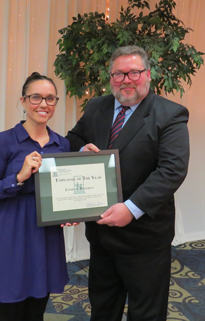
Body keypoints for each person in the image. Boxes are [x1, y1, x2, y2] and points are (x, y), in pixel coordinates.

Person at [66, 45, 190, 321]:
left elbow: (172, 170)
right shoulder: (97, 106)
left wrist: (132, 208)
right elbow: (73, 137)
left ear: (147, 74)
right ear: (110, 77)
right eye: (118, 74)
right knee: (103, 306)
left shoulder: (170, 114)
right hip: (100, 234)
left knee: (146, 312)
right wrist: (83, 149)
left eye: (134, 72)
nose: (126, 80)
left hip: (144, 238)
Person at [0, 72, 73, 321]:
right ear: (23, 101)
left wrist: (71, 212)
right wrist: (18, 178)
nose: (44, 104)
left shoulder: (61, 144)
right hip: (15, 230)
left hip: (48, 232)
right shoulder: (3, 141)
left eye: (50, 98)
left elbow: (63, 191)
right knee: (12, 308)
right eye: (36, 97)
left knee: (37, 308)